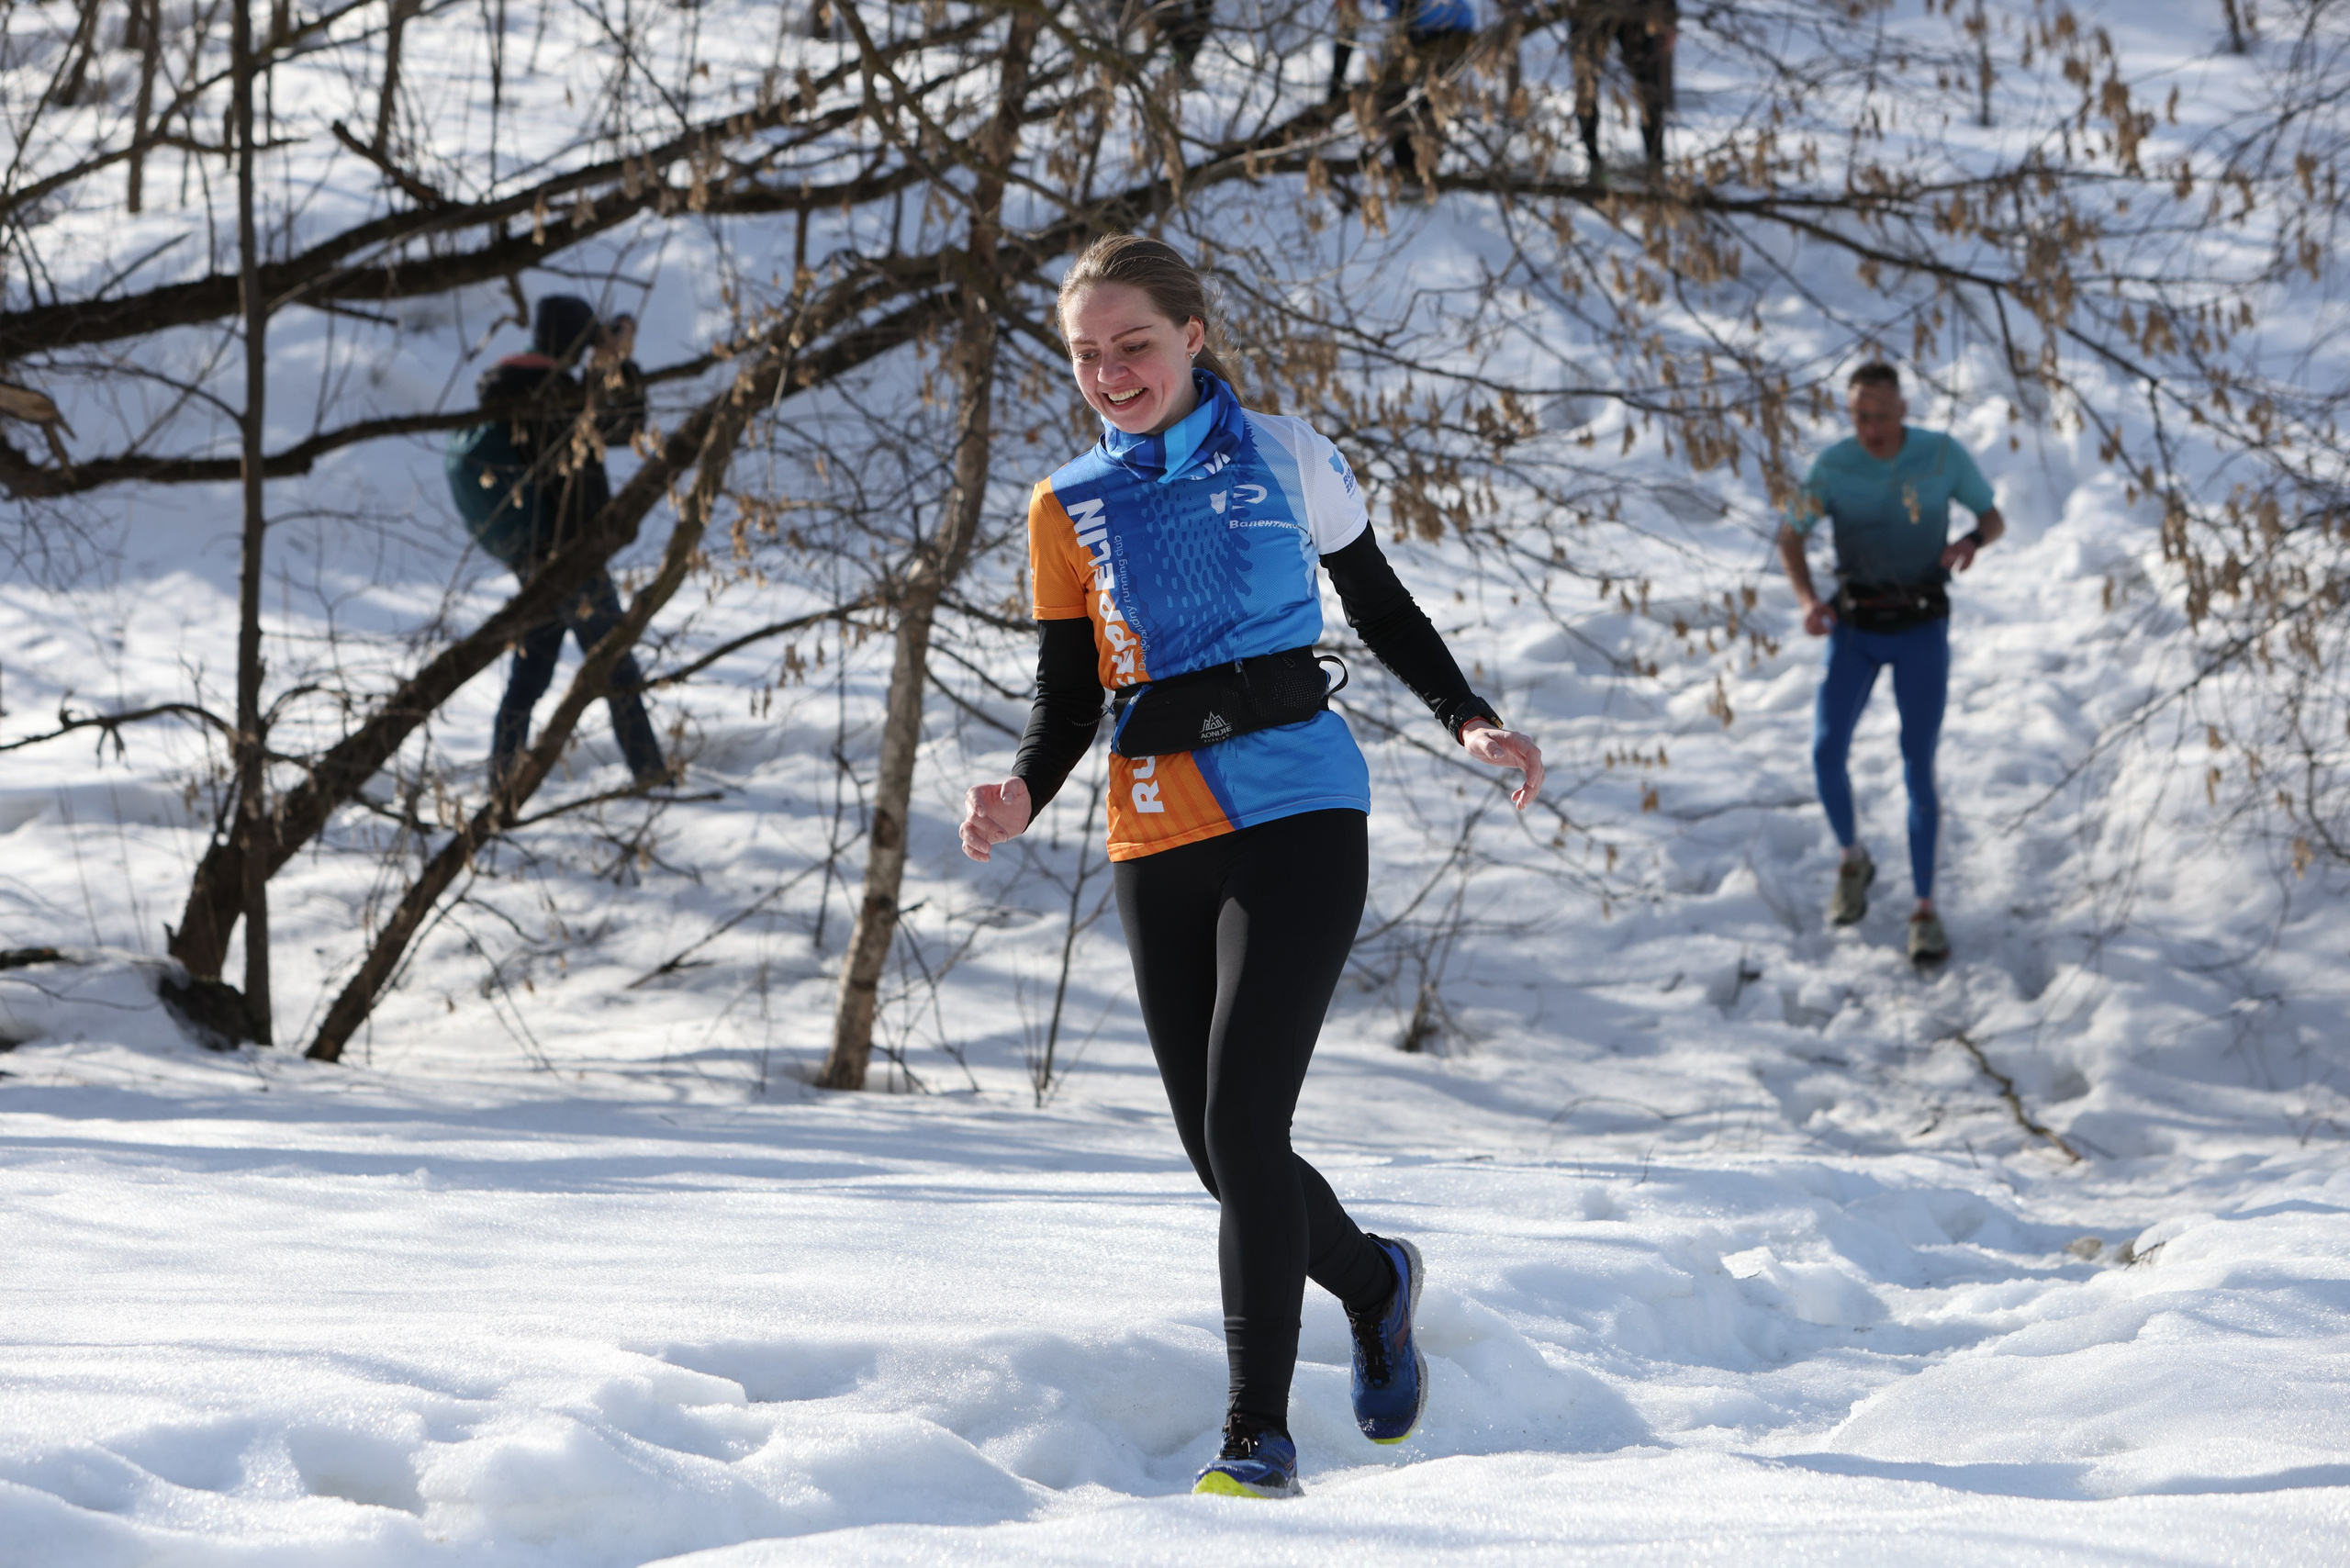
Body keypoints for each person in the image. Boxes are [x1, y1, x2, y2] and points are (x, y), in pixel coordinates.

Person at [959, 235, 1544, 1498]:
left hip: (1299, 807)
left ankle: (1255, 1436)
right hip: (1153, 825)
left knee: (1244, 1121)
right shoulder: (1065, 505)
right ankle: (1375, 1279)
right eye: (1087, 354)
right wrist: (1020, 788)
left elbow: (1380, 604)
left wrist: (1467, 717)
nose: (1113, 373)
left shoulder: (1288, 454)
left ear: (1194, 335)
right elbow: (1068, 697)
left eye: (1136, 345)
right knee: (1219, 1156)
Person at [1777, 361, 2005, 965]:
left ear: (1903, 410)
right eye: (1859, 416)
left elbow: (1992, 515)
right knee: (1826, 751)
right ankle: (1854, 860)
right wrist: (1806, 599)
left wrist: (1970, 542)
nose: (1871, 428)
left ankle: (1924, 909)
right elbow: (1790, 534)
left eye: (1881, 415)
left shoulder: (1940, 455)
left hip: (1921, 628)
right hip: (1855, 628)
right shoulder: (1834, 467)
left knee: (1917, 765)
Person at [446, 295, 668, 789]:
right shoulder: (552, 394)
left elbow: (600, 430)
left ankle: (502, 783)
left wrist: (606, 368)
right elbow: (622, 428)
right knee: (617, 668)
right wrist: (619, 365)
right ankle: (652, 779)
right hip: (572, 556)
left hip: (534, 556)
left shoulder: (513, 387)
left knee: (529, 677)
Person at [1329, 0, 1480, 191]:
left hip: (1448, 27)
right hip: (1421, 27)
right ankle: (1410, 171)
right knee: (1392, 101)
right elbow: (1345, 33)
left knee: (1429, 104)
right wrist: (1333, 94)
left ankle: (1422, 176)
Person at [1568, 0, 1675, 178]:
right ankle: (1594, 168)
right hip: (1588, 8)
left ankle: (1656, 169)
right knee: (1585, 83)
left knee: (1649, 84)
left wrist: (1668, 17)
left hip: (1637, 8)